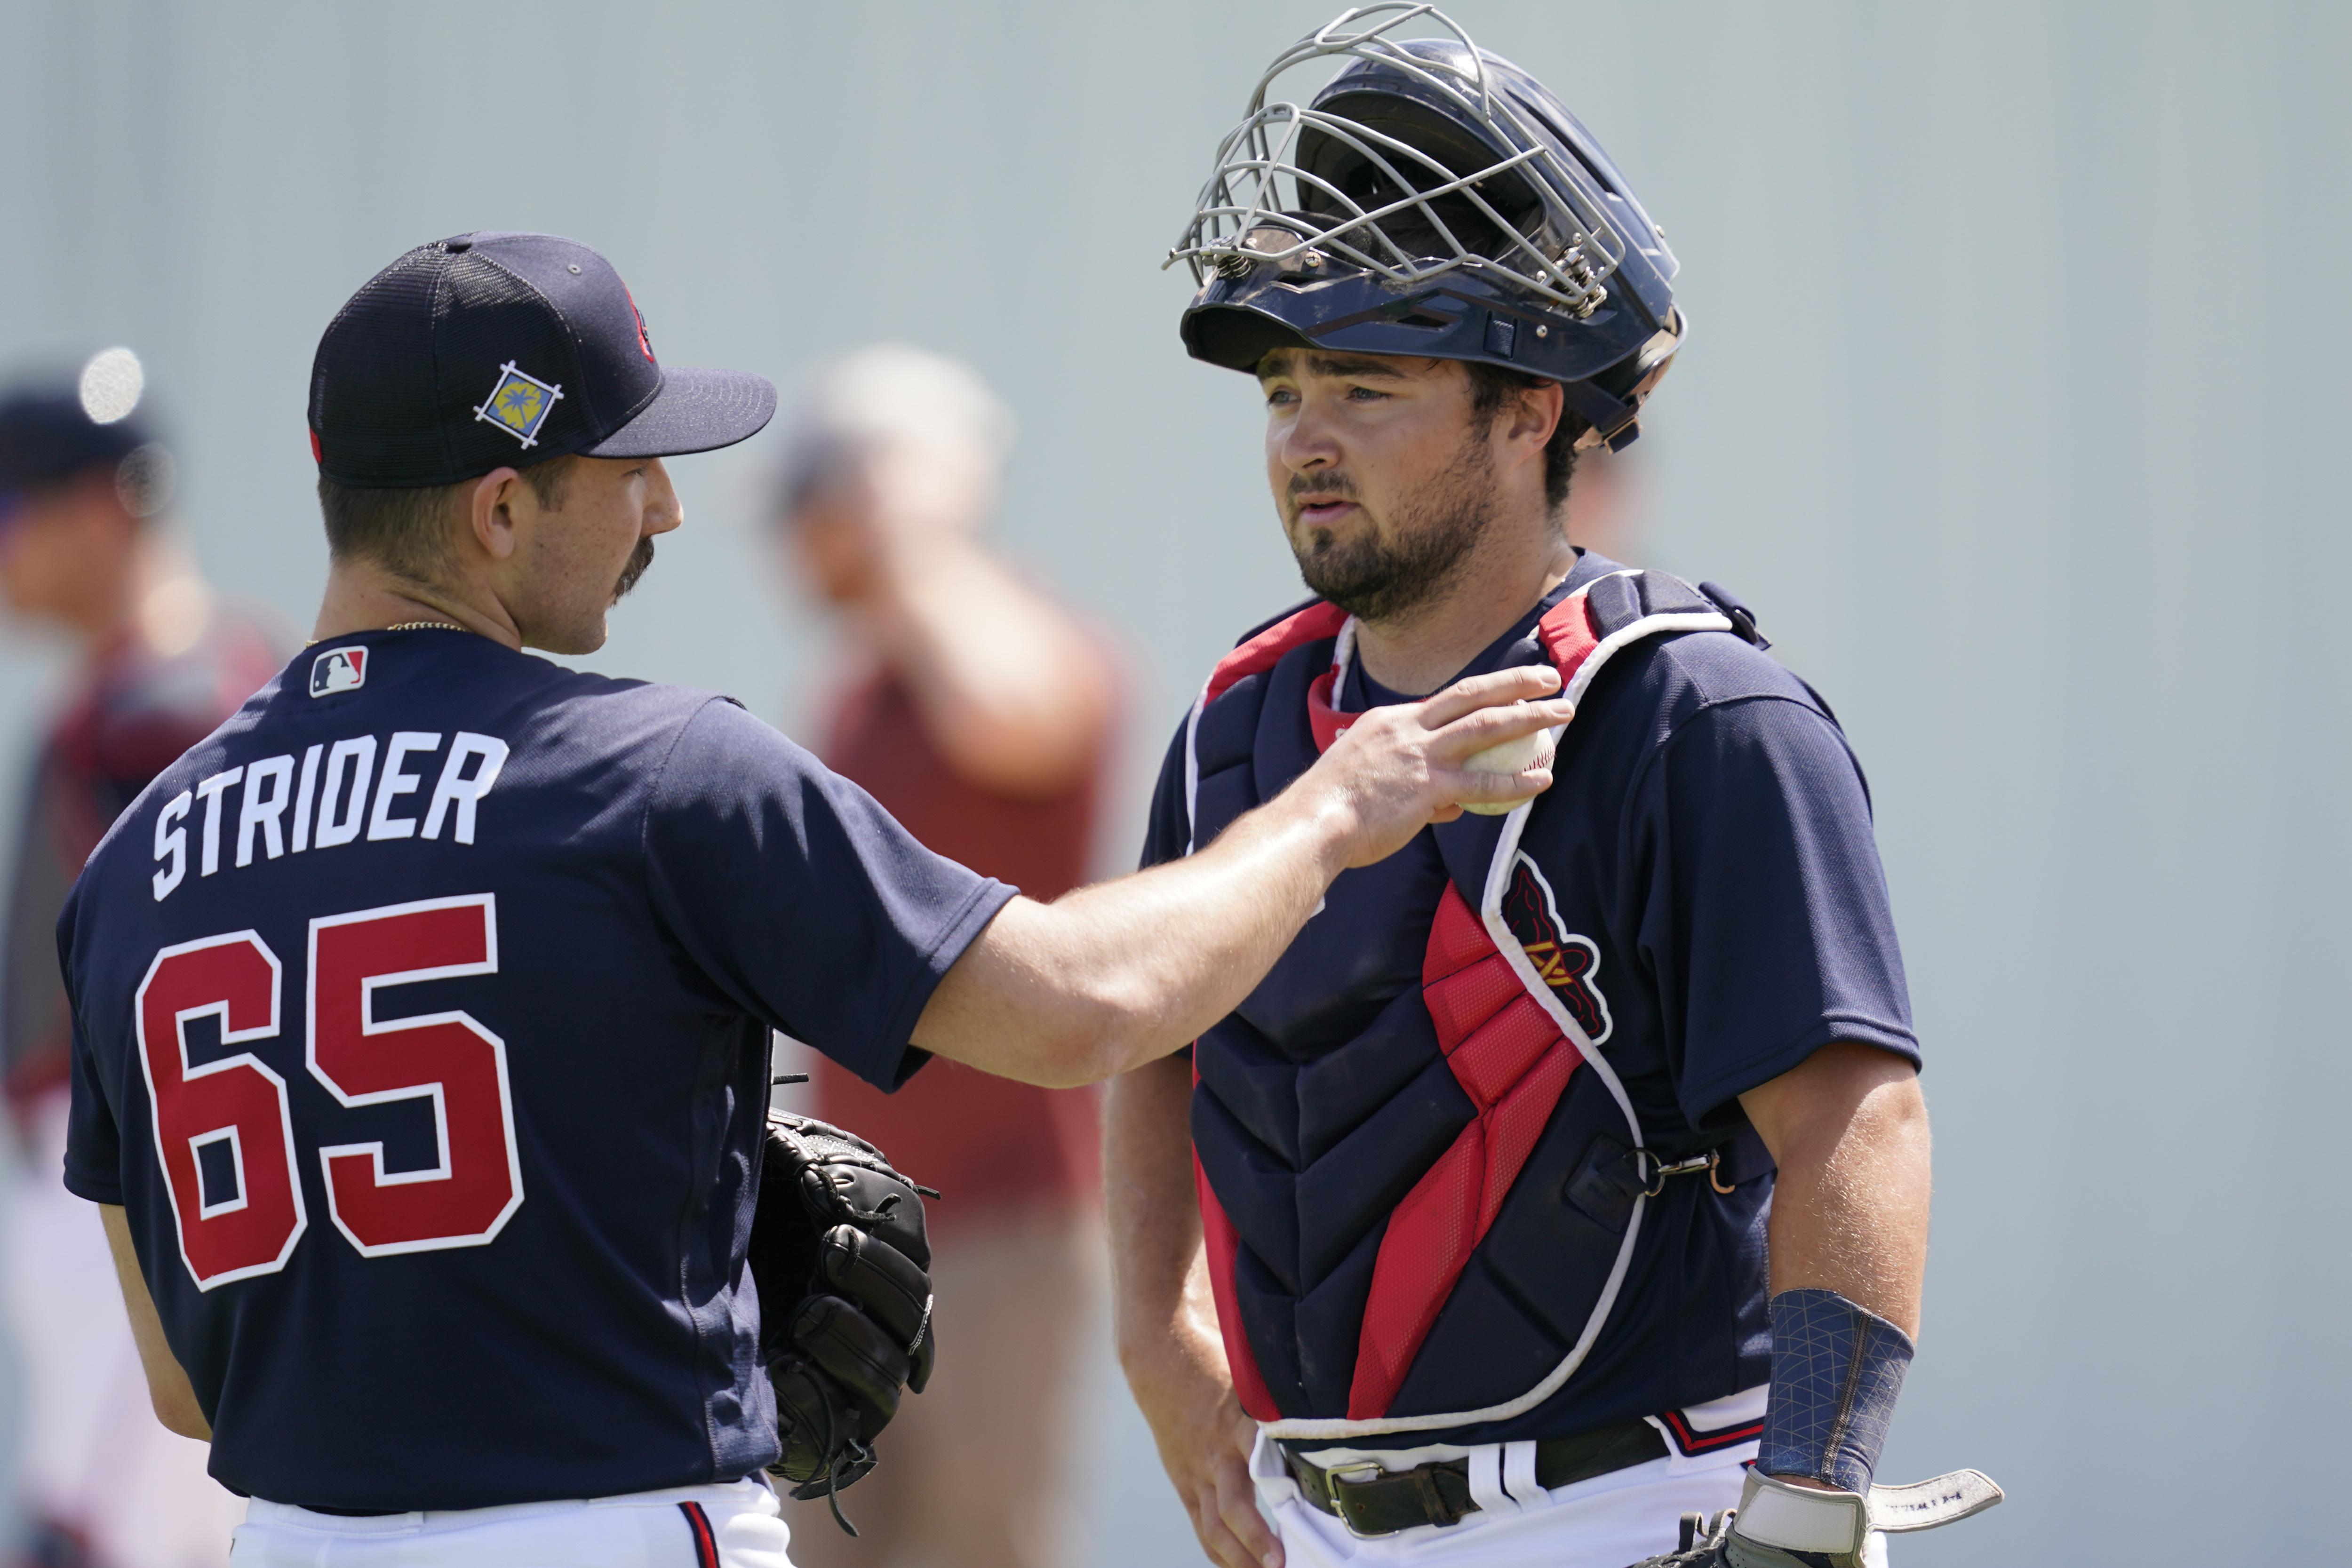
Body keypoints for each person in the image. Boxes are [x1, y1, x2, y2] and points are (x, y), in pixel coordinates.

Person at [53, 231, 1568, 1568]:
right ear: (500, 509)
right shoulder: (652, 772)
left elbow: (189, 1382)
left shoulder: (128, 869)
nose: (668, 507)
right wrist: (1338, 807)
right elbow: (1084, 1003)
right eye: (624, 465)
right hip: (615, 1527)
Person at [1107, 15, 1996, 1568]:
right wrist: (1156, 1345)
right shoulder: (1236, 723)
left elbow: (1853, 1119)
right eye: (1281, 390)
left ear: (1532, 410)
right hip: (1309, 1525)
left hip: (1634, 1509)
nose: (1306, 438)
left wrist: (1807, 1506)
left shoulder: (1692, 713)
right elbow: (1154, 1043)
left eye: (1369, 383)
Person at [772, 347, 1112, 1568]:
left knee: (980, 1548)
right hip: (854, 1220)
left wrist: (915, 528)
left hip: (999, 1225)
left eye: (820, 482)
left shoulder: (1005, 637)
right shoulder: (864, 682)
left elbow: (1020, 711)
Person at [0, 367, 282, 1568]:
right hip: (106, 1177)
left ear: (103, 506)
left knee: (104, 1537)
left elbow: (198, 993)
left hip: (137, 1182)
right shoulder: (149, 687)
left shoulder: (175, 703)